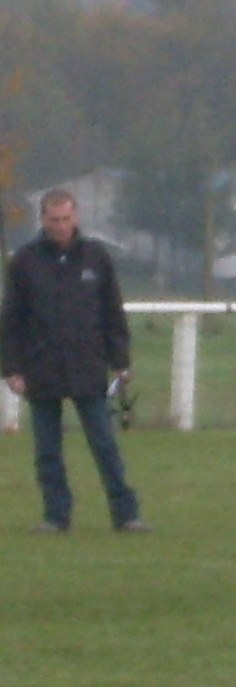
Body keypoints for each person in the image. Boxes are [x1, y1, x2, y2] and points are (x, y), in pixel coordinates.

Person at [2, 189, 150, 533]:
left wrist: (120, 361)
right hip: (41, 368)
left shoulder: (96, 258)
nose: (60, 226)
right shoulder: (23, 261)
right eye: (53, 220)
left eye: (66, 219)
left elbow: (112, 312)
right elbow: (11, 319)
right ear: (42, 220)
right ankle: (56, 516)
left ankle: (126, 514)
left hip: (87, 367)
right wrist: (11, 368)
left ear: (76, 217)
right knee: (47, 452)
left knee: (104, 444)